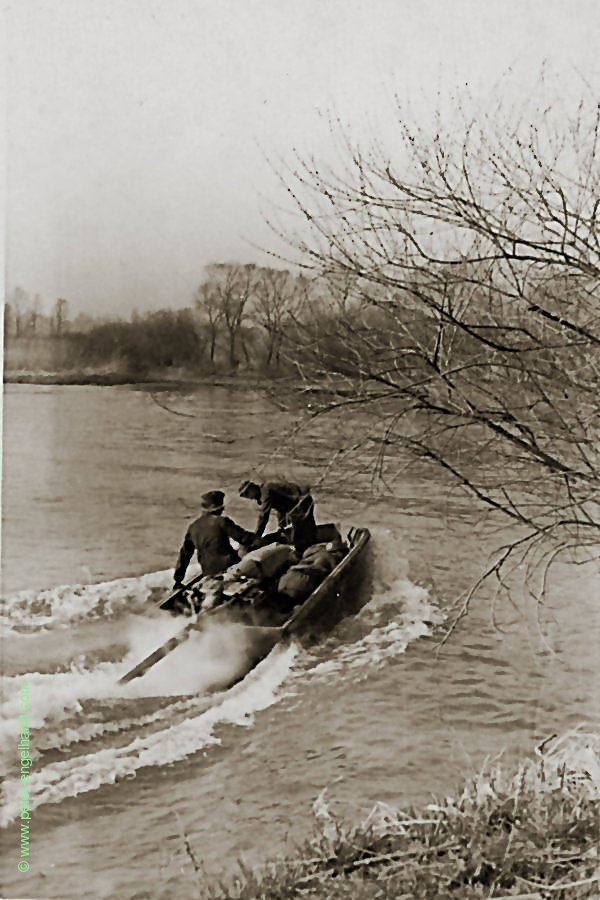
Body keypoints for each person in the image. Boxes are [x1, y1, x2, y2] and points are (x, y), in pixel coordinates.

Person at [173, 490, 257, 587]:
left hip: (208, 570)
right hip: (229, 566)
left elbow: (185, 554)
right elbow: (244, 538)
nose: (222, 510)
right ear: (217, 508)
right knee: (244, 548)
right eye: (221, 507)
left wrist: (178, 579)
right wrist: (266, 543)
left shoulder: (193, 527)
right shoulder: (222, 521)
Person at [239, 479, 317, 553]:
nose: (249, 497)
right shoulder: (265, 490)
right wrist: (281, 524)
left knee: (301, 533)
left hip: (301, 501)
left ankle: (305, 550)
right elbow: (281, 506)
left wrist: (256, 537)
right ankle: (307, 546)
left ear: (252, 488)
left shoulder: (266, 492)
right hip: (299, 502)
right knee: (302, 530)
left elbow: (263, 517)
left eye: (247, 493)